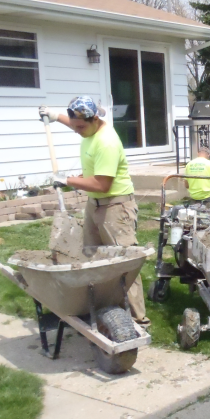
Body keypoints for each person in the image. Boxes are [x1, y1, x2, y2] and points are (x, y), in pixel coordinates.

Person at [39, 97, 149, 326]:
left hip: (115, 207)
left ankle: (137, 319)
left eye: (80, 127)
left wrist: (67, 180)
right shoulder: (87, 127)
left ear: (95, 119)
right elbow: (75, 123)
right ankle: (101, 309)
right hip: (95, 205)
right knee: (91, 257)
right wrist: (54, 115)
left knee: (125, 263)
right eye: (74, 125)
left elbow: (102, 185)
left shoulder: (106, 142)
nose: (76, 131)